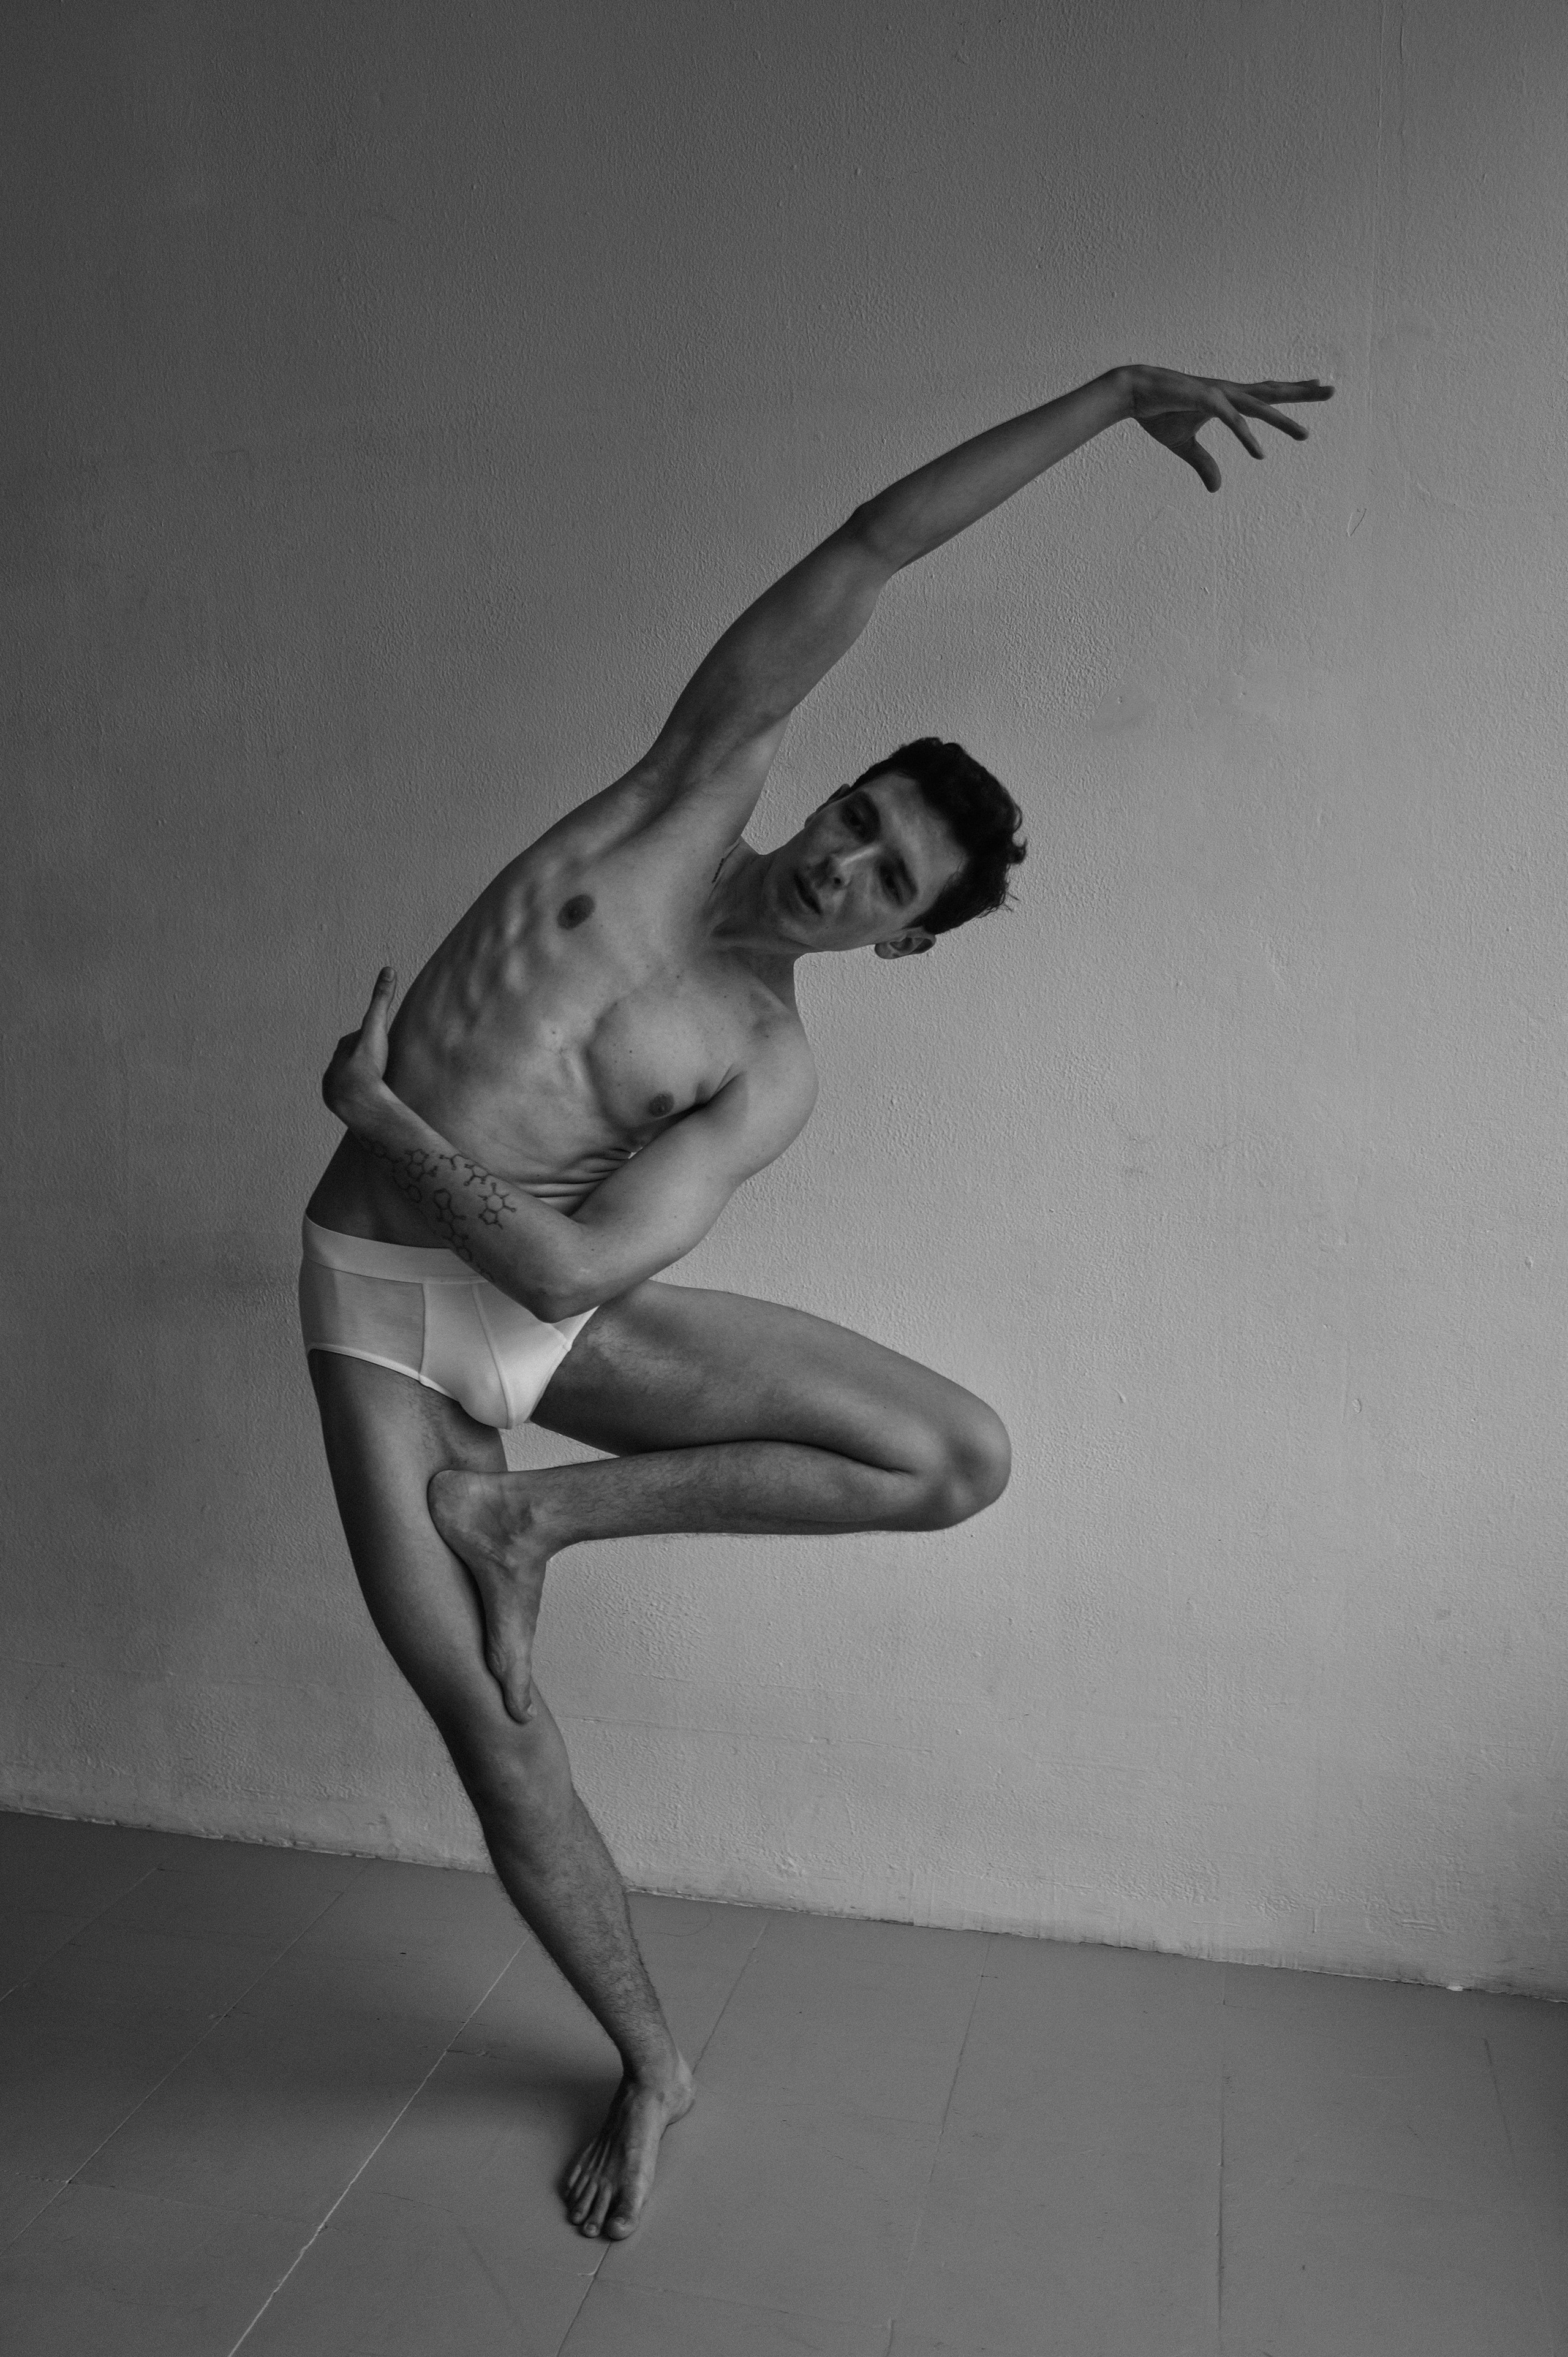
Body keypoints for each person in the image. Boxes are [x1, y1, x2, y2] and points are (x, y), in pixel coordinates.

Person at [303, 360, 1332, 2239]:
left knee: (956, 1458)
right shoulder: (680, 799)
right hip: (379, 1298)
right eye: (856, 817)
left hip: (526, 1284)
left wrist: (383, 1116)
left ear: (906, 940)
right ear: (831, 787)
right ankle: (650, 2046)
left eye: (883, 883)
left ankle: (536, 1528)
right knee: (493, 1730)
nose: (837, 865)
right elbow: (871, 547)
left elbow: (562, 1268)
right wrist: (1110, 398)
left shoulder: (768, 1073)